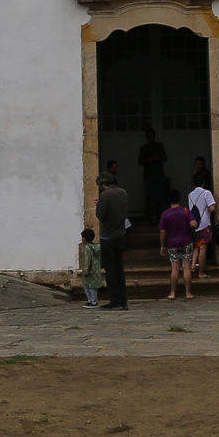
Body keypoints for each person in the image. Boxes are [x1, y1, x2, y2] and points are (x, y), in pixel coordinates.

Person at [94, 173, 130, 310]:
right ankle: (123, 301)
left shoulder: (105, 195)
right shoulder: (123, 192)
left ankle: (115, 301)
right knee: (119, 269)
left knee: (110, 271)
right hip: (120, 235)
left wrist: (99, 205)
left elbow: (101, 215)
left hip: (108, 237)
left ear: (103, 184)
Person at [158, 188, 196, 300]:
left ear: (169, 199)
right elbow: (193, 223)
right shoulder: (185, 211)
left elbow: (162, 232)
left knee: (175, 268)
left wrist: (162, 246)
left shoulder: (165, 214)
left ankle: (173, 293)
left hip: (172, 243)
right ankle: (188, 292)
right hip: (186, 241)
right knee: (186, 267)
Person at [187, 178, 218, 279]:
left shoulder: (190, 195)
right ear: (203, 182)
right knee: (203, 248)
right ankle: (201, 272)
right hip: (204, 223)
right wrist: (215, 202)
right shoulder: (206, 193)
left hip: (194, 224)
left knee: (196, 246)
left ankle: (192, 267)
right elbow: (212, 209)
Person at [137, 128, 169, 221]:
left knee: (161, 195)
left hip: (159, 174)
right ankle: (153, 215)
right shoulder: (144, 148)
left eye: (152, 136)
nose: (151, 138)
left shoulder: (159, 146)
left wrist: (157, 158)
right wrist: (148, 160)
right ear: (146, 137)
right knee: (151, 196)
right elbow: (140, 161)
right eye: (149, 137)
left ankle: (163, 215)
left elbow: (165, 158)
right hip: (148, 175)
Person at [77, 227, 103, 307]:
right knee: (92, 286)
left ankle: (93, 301)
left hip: (89, 270)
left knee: (89, 286)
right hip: (96, 269)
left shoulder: (88, 248)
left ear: (84, 238)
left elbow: (87, 260)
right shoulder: (98, 247)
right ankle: (92, 300)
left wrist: (85, 270)